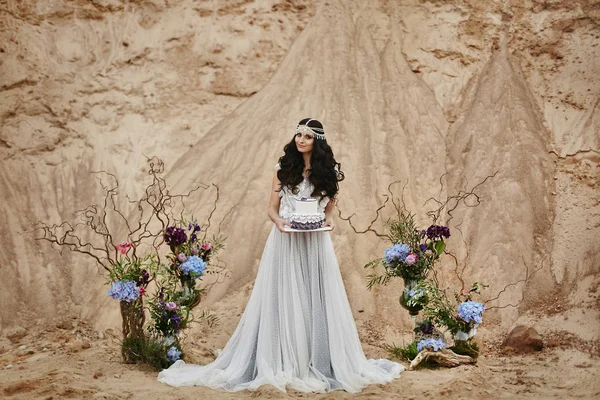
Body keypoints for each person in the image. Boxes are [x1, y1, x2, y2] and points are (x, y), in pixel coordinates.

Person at [157, 118, 403, 393]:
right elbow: (272, 209)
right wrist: (279, 223)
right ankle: (286, 359)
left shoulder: (328, 171)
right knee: (286, 295)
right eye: (298, 135)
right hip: (285, 240)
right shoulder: (283, 169)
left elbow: (329, 207)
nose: (301, 140)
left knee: (314, 295)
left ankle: (316, 359)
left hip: (315, 240)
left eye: (307, 137)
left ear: (317, 141)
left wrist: (330, 220)